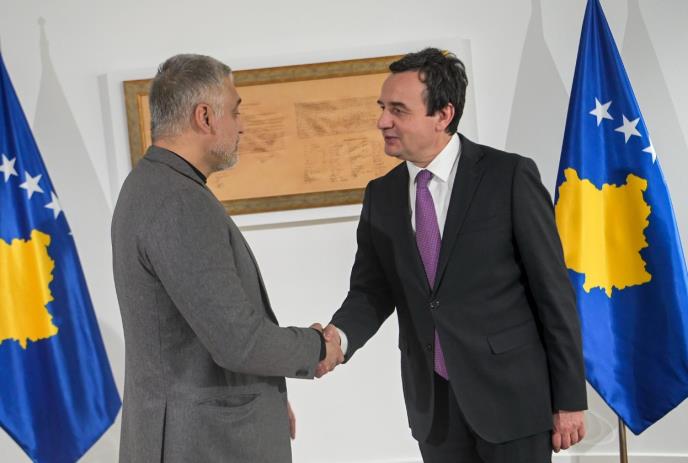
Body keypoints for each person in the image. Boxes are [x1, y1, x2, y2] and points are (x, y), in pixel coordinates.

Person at [319, 48, 587, 463]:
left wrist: (569, 399)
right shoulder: (380, 196)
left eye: (398, 110)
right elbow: (370, 292)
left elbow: (553, 292)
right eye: (382, 108)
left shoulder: (508, 176)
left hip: (513, 402)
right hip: (435, 412)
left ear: (443, 114)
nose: (383, 121)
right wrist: (338, 338)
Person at [112, 54, 343, 463]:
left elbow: (203, 332)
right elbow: (240, 342)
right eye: (235, 111)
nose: (242, 125)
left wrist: (267, 397)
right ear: (205, 117)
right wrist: (315, 348)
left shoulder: (150, 183)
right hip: (202, 445)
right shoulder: (179, 201)